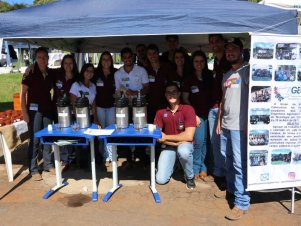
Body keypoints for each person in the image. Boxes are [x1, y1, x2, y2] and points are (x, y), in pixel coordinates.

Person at [216, 38, 250, 220]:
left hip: (240, 127)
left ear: (241, 51)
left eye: (233, 49)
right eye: (228, 49)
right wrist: (219, 121)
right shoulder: (227, 74)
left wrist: (249, 125)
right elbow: (223, 99)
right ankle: (231, 190)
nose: (230, 52)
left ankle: (242, 202)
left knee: (239, 164)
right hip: (227, 125)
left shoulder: (247, 71)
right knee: (228, 160)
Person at [21, 47, 55, 181]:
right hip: (34, 111)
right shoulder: (30, 72)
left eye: (45, 57)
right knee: (35, 139)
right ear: (36, 58)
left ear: (48, 59)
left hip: (47, 110)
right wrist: (24, 112)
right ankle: (33, 168)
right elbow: (23, 93)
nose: (42, 60)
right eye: (39, 57)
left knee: (47, 137)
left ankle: (47, 164)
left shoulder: (51, 73)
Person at [155, 82, 196, 190]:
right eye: (168, 92)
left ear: (179, 94)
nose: (171, 94)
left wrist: (167, 137)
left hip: (184, 145)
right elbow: (158, 136)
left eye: (174, 92)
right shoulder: (160, 111)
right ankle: (176, 164)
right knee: (160, 180)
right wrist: (174, 141)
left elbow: (189, 137)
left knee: (183, 151)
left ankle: (189, 177)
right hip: (169, 146)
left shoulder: (188, 109)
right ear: (165, 95)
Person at [114, 47, 149, 166]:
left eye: (129, 57)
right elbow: (117, 91)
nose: (127, 59)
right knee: (125, 129)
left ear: (133, 57)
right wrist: (122, 92)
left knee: (140, 128)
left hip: (139, 105)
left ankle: (141, 155)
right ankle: (128, 157)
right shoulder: (118, 73)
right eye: (125, 57)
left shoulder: (141, 70)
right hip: (124, 106)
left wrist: (135, 93)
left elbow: (147, 88)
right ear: (122, 58)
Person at [182, 50, 213, 181]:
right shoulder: (189, 78)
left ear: (205, 63)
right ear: (192, 63)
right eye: (196, 61)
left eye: (201, 61)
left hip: (210, 113)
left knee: (207, 142)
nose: (199, 64)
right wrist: (193, 115)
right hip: (197, 115)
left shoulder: (210, 76)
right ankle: (195, 168)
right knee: (199, 142)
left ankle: (204, 168)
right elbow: (185, 98)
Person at [208, 34, 231, 185]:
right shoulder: (215, 61)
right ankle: (218, 172)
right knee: (215, 142)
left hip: (225, 108)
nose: (214, 44)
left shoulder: (228, 62)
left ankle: (226, 175)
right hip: (214, 107)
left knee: (224, 143)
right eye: (212, 42)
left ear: (223, 43)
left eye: (217, 41)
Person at [53, 54, 78, 171]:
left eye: (70, 63)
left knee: (71, 134)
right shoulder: (57, 75)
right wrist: (30, 66)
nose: (68, 65)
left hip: (72, 110)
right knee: (62, 134)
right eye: (65, 63)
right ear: (62, 64)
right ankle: (64, 159)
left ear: (74, 64)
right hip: (58, 110)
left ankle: (72, 159)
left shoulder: (76, 78)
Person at [70, 63, 98, 168]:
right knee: (80, 140)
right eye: (87, 71)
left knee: (90, 139)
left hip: (89, 117)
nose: (89, 73)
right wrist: (78, 119)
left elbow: (94, 104)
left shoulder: (93, 86)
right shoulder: (76, 85)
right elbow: (73, 103)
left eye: (91, 71)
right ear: (83, 72)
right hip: (79, 117)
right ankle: (80, 163)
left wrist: (95, 118)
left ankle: (90, 162)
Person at [93, 51, 117, 166]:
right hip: (99, 107)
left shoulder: (115, 73)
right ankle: (103, 156)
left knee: (111, 132)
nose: (106, 61)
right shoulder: (96, 73)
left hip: (112, 107)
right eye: (104, 59)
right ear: (100, 61)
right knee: (101, 133)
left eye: (108, 59)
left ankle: (111, 156)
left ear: (111, 61)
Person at [145, 44, 176, 122]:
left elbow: (173, 85)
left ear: (158, 54)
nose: (152, 56)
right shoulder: (144, 70)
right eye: (149, 54)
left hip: (165, 105)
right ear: (147, 55)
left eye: (154, 53)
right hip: (150, 106)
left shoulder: (167, 67)